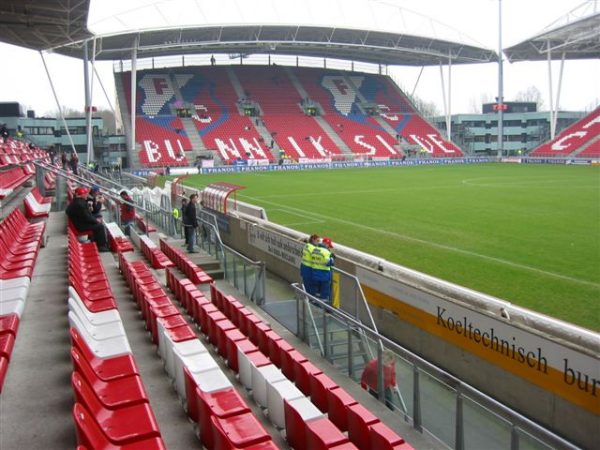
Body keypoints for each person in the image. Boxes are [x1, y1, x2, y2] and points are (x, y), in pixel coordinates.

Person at [66, 187, 109, 252]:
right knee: (100, 226)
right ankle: (101, 246)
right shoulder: (80, 204)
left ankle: (97, 242)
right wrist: (96, 221)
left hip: (80, 223)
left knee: (98, 223)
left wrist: (94, 220)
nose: (87, 195)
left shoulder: (77, 201)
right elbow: (87, 217)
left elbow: (87, 216)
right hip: (81, 226)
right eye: (85, 194)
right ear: (81, 195)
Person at [311, 236, 335, 303]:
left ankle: (315, 304)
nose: (329, 247)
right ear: (326, 244)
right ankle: (324, 310)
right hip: (324, 275)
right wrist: (332, 258)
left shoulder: (315, 249)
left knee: (317, 292)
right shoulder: (326, 252)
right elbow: (329, 263)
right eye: (329, 246)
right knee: (324, 295)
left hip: (315, 274)